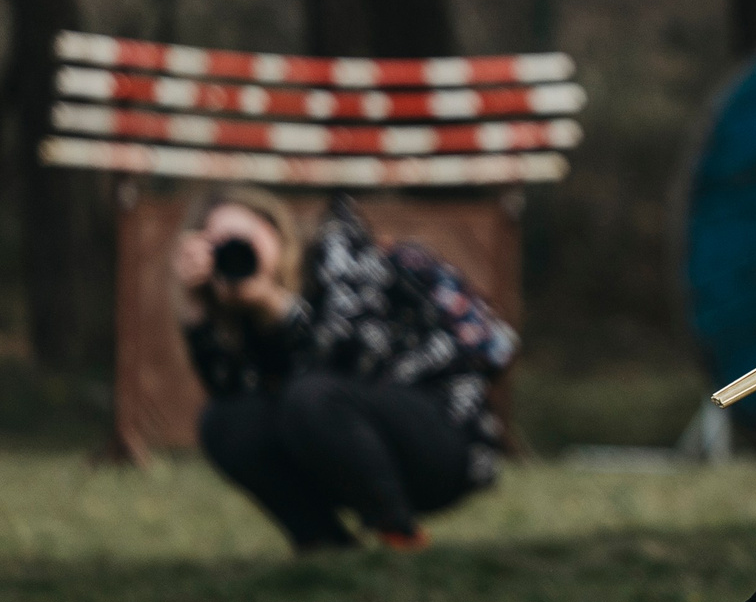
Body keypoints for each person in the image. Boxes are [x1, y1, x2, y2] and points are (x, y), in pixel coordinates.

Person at [177, 188, 515, 554]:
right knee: (223, 421)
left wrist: (274, 304)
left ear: (274, 229)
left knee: (309, 397)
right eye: (219, 246)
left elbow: (359, 356)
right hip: (340, 449)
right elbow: (230, 393)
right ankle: (327, 549)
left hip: (440, 439)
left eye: (242, 238)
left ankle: (399, 536)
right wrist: (197, 312)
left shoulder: (338, 254)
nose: (235, 251)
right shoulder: (233, 309)